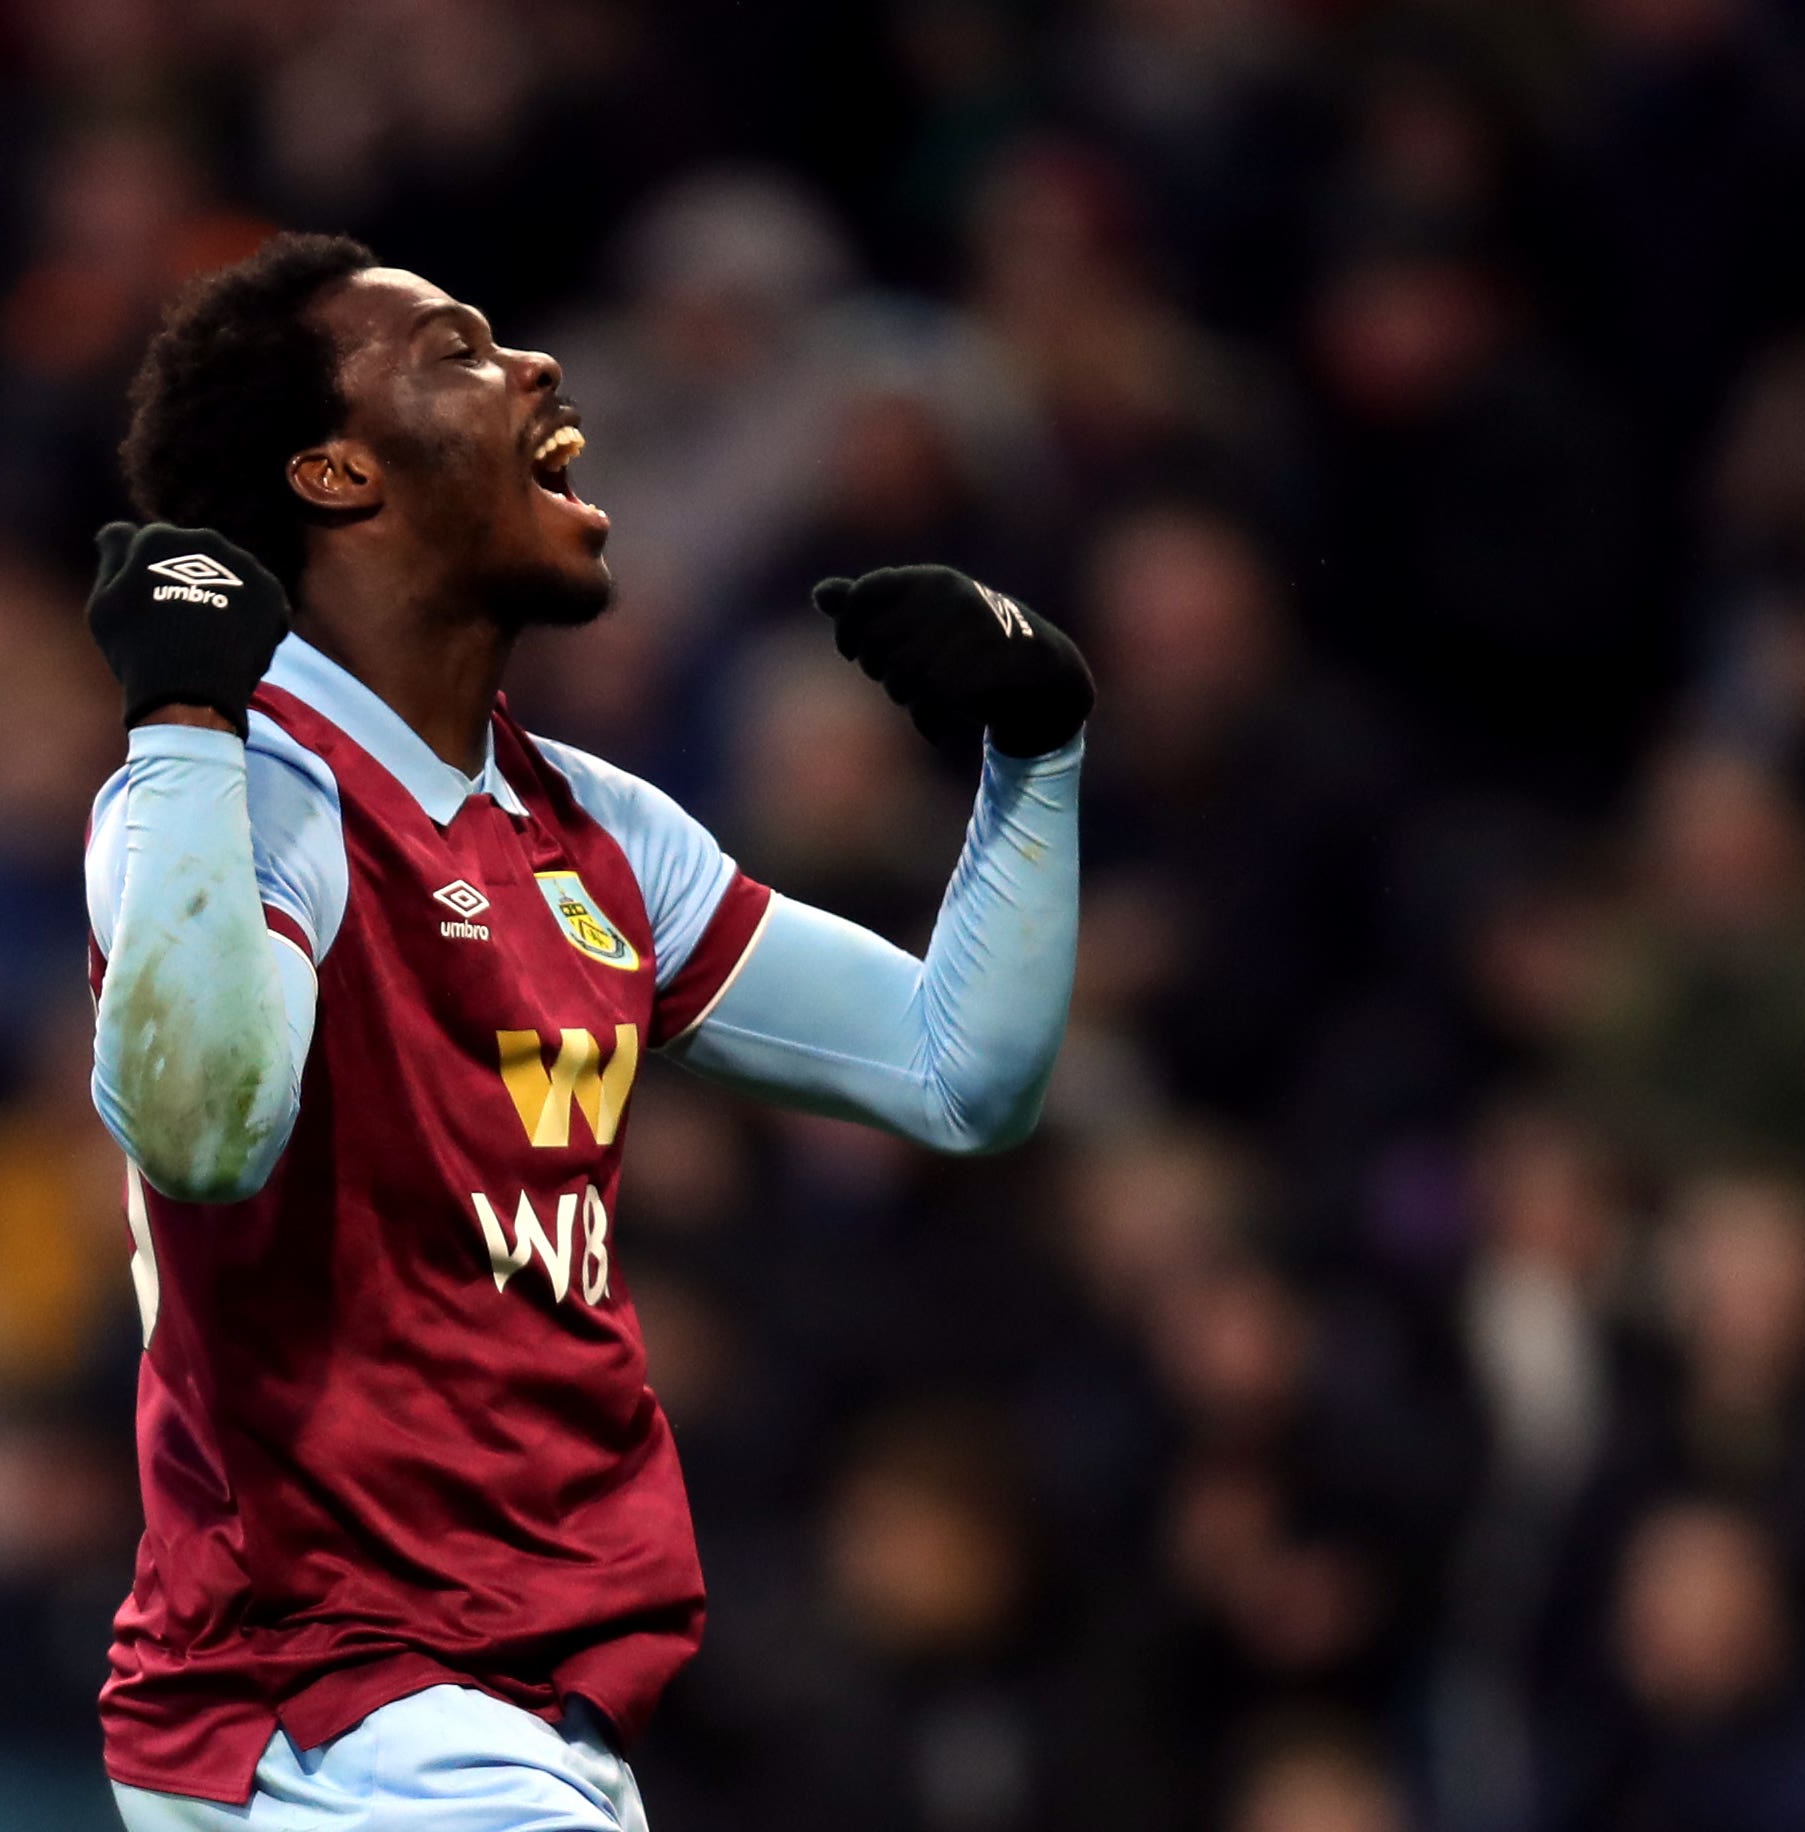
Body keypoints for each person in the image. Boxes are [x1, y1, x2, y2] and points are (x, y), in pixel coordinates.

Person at [80, 232, 1091, 1829]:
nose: (539, 369)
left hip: (489, 1723)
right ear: (338, 473)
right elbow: (204, 1133)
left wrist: (1034, 760)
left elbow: (959, 1073)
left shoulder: (601, 834)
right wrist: (187, 720)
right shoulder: (240, 792)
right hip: (343, 1718)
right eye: (458, 350)